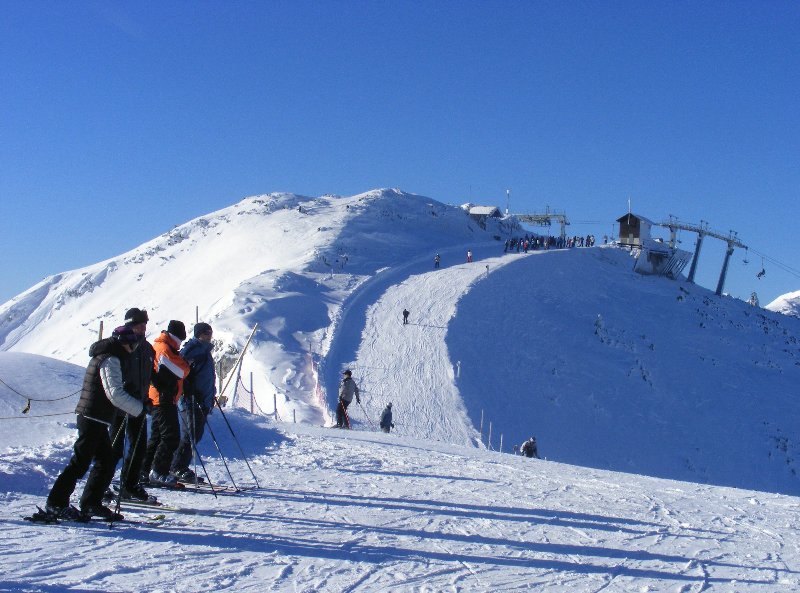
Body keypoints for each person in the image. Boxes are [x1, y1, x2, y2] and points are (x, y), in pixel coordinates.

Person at [41, 326, 144, 521]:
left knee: (105, 461)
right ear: (126, 343)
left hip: (97, 417)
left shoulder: (109, 356)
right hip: (93, 416)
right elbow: (114, 393)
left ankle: (91, 503)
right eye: (134, 344)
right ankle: (56, 502)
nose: (134, 348)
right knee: (81, 461)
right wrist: (138, 409)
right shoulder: (111, 359)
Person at [107, 307, 155, 503]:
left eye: (143, 325)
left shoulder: (147, 348)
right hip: (120, 403)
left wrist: (153, 391)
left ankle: (130, 484)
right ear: (129, 325)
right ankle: (103, 485)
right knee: (113, 449)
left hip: (139, 403)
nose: (141, 329)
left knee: (138, 447)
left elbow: (150, 373)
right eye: (137, 325)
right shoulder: (120, 345)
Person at [141, 320, 190, 487]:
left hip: (161, 398)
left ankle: (143, 471)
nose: (180, 343)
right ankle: (158, 471)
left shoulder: (164, 347)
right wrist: (186, 366)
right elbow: (182, 370)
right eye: (179, 339)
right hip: (163, 398)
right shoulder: (164, 349)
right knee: (171, 437)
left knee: (157, 437)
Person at [170, 322, 216, 484]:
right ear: (198, 334)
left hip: (201, 400)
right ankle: (176, 467)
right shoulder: (193, 349)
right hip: (190, 400)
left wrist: (211, 394)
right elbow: (182, 371)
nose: (209, 336)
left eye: (210, 333)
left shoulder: (204, 350)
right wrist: (189, 388)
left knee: (195, 434)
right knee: (190, 434)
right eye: (205, 333)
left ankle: (180, 466)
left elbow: (206, 375)